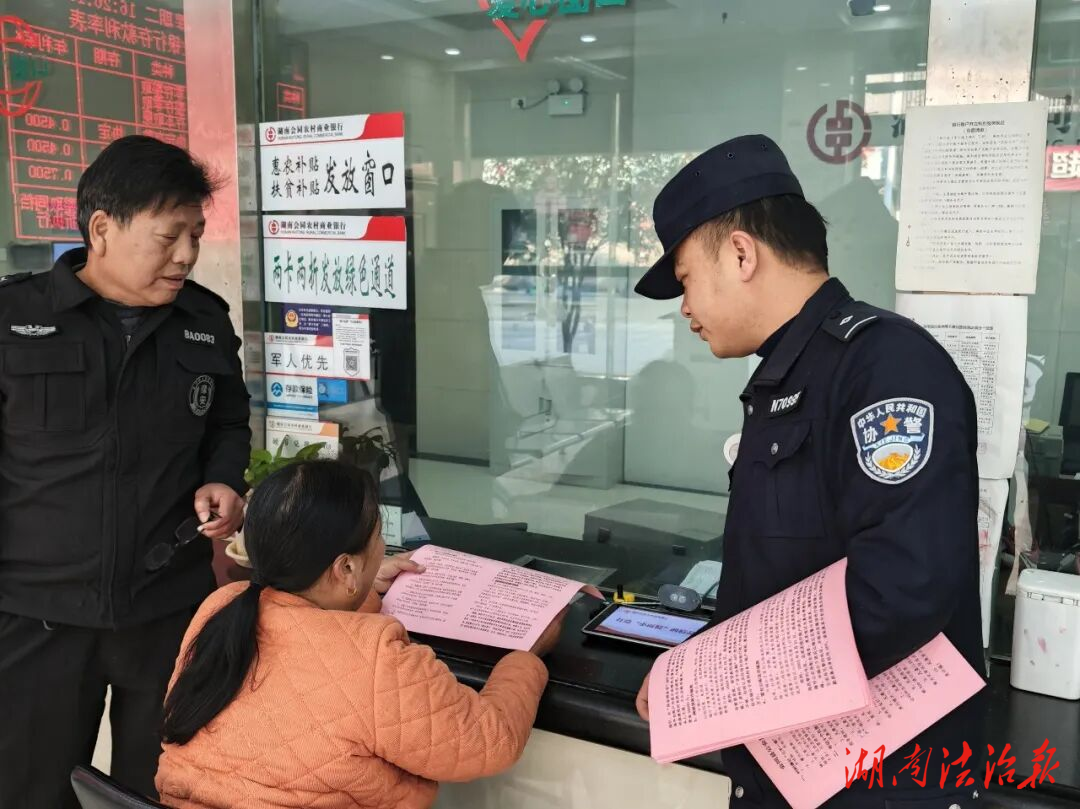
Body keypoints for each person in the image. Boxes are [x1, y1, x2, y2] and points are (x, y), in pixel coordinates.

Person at [632, 135, 985, 809]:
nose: (685, 308)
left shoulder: (885, 368)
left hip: (875, 784)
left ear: (741, 254)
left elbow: (900, 588)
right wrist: (699, 661)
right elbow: (784, 580)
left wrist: (720, 676)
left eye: (685, 279)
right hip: (790, 769)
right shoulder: (786, 378)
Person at [0, 135, 251, 807]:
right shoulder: (14, 319)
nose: (187, 255)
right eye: (169, 237)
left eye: (195, 236)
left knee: (160, 787)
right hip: (37, 613)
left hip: (166, 607)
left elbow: (229, 422)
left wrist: (225, 478)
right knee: (31, 789)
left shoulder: (204, 321)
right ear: (102, 229)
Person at [156, 460, 562, 809]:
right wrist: (526, 656)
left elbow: (311, 636)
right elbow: (488, 743)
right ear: (345, 567)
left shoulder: (223, 605)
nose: (382, 546)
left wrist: (365, 587)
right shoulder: (378, 658)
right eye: (378, 537)